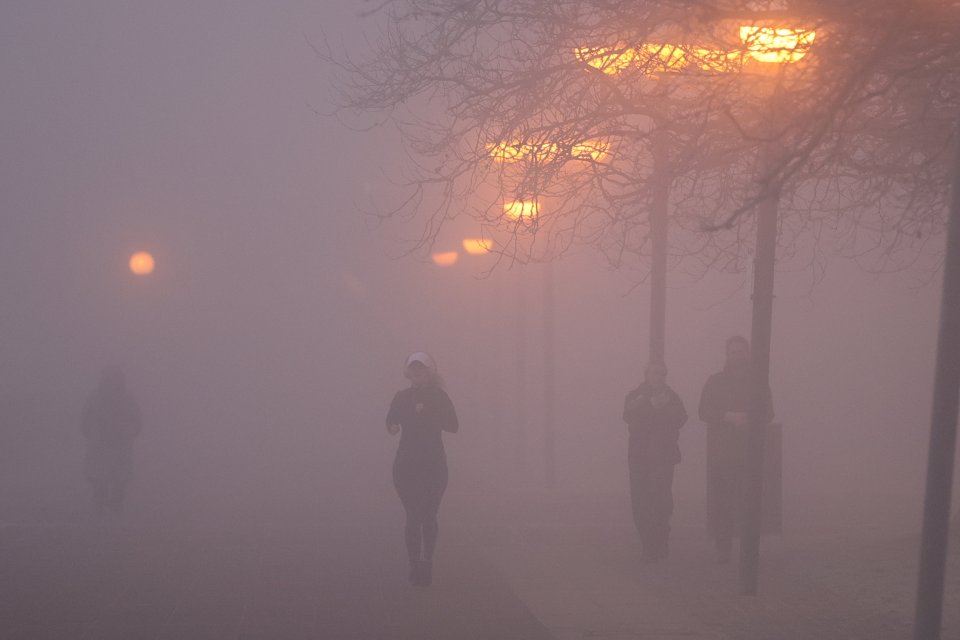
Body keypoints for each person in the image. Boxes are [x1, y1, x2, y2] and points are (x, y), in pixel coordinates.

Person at [697, 336, 773, 563]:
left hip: (751, 453)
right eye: (734, 352)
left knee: (750, 503)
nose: (738, 356)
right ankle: (724, 550)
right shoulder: (714, 381)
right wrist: (727, 416)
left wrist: (750, 418)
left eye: (741, 352)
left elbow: (769, 413)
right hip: (722, 454)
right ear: (727, 355)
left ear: (747, 354)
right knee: (723, 504)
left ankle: (749, 549)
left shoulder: (759, 382)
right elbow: (703, 411)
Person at [385, 352, 458, 586]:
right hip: (406, 464)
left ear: (430, 372)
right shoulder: (401, 397)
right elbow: (390, 421)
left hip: (433, 464)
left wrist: (427, 413)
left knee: (429, 515)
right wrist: (394, 425)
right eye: (414, 369)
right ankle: (414, 565)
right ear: (408, 372)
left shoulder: (439, 397)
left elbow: (453, 426)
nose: (418, 373)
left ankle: (427, 561)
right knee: (413, 516)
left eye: (422, 369)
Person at [622, 360, 688, 562]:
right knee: (640, 501)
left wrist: (663, 409)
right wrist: (648, 407)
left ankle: (661, 543)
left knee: (661, 501)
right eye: (656, 373)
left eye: (663, 374)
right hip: (640, 457)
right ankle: (648, 545)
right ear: (646, 375)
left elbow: (681, 419)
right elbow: (627, 416)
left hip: (664, 457)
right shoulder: (635, 396)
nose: (660, 377)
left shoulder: (672, 397)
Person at [81, 366, 142, 514]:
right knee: (101, 472)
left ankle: (114, 501)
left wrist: (133, 432)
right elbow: (85, 418)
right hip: (102, 442)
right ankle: (102, 499)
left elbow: (137, 418)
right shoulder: (96, 397)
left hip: (118, 442)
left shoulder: (126, 398)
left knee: (117, 474)